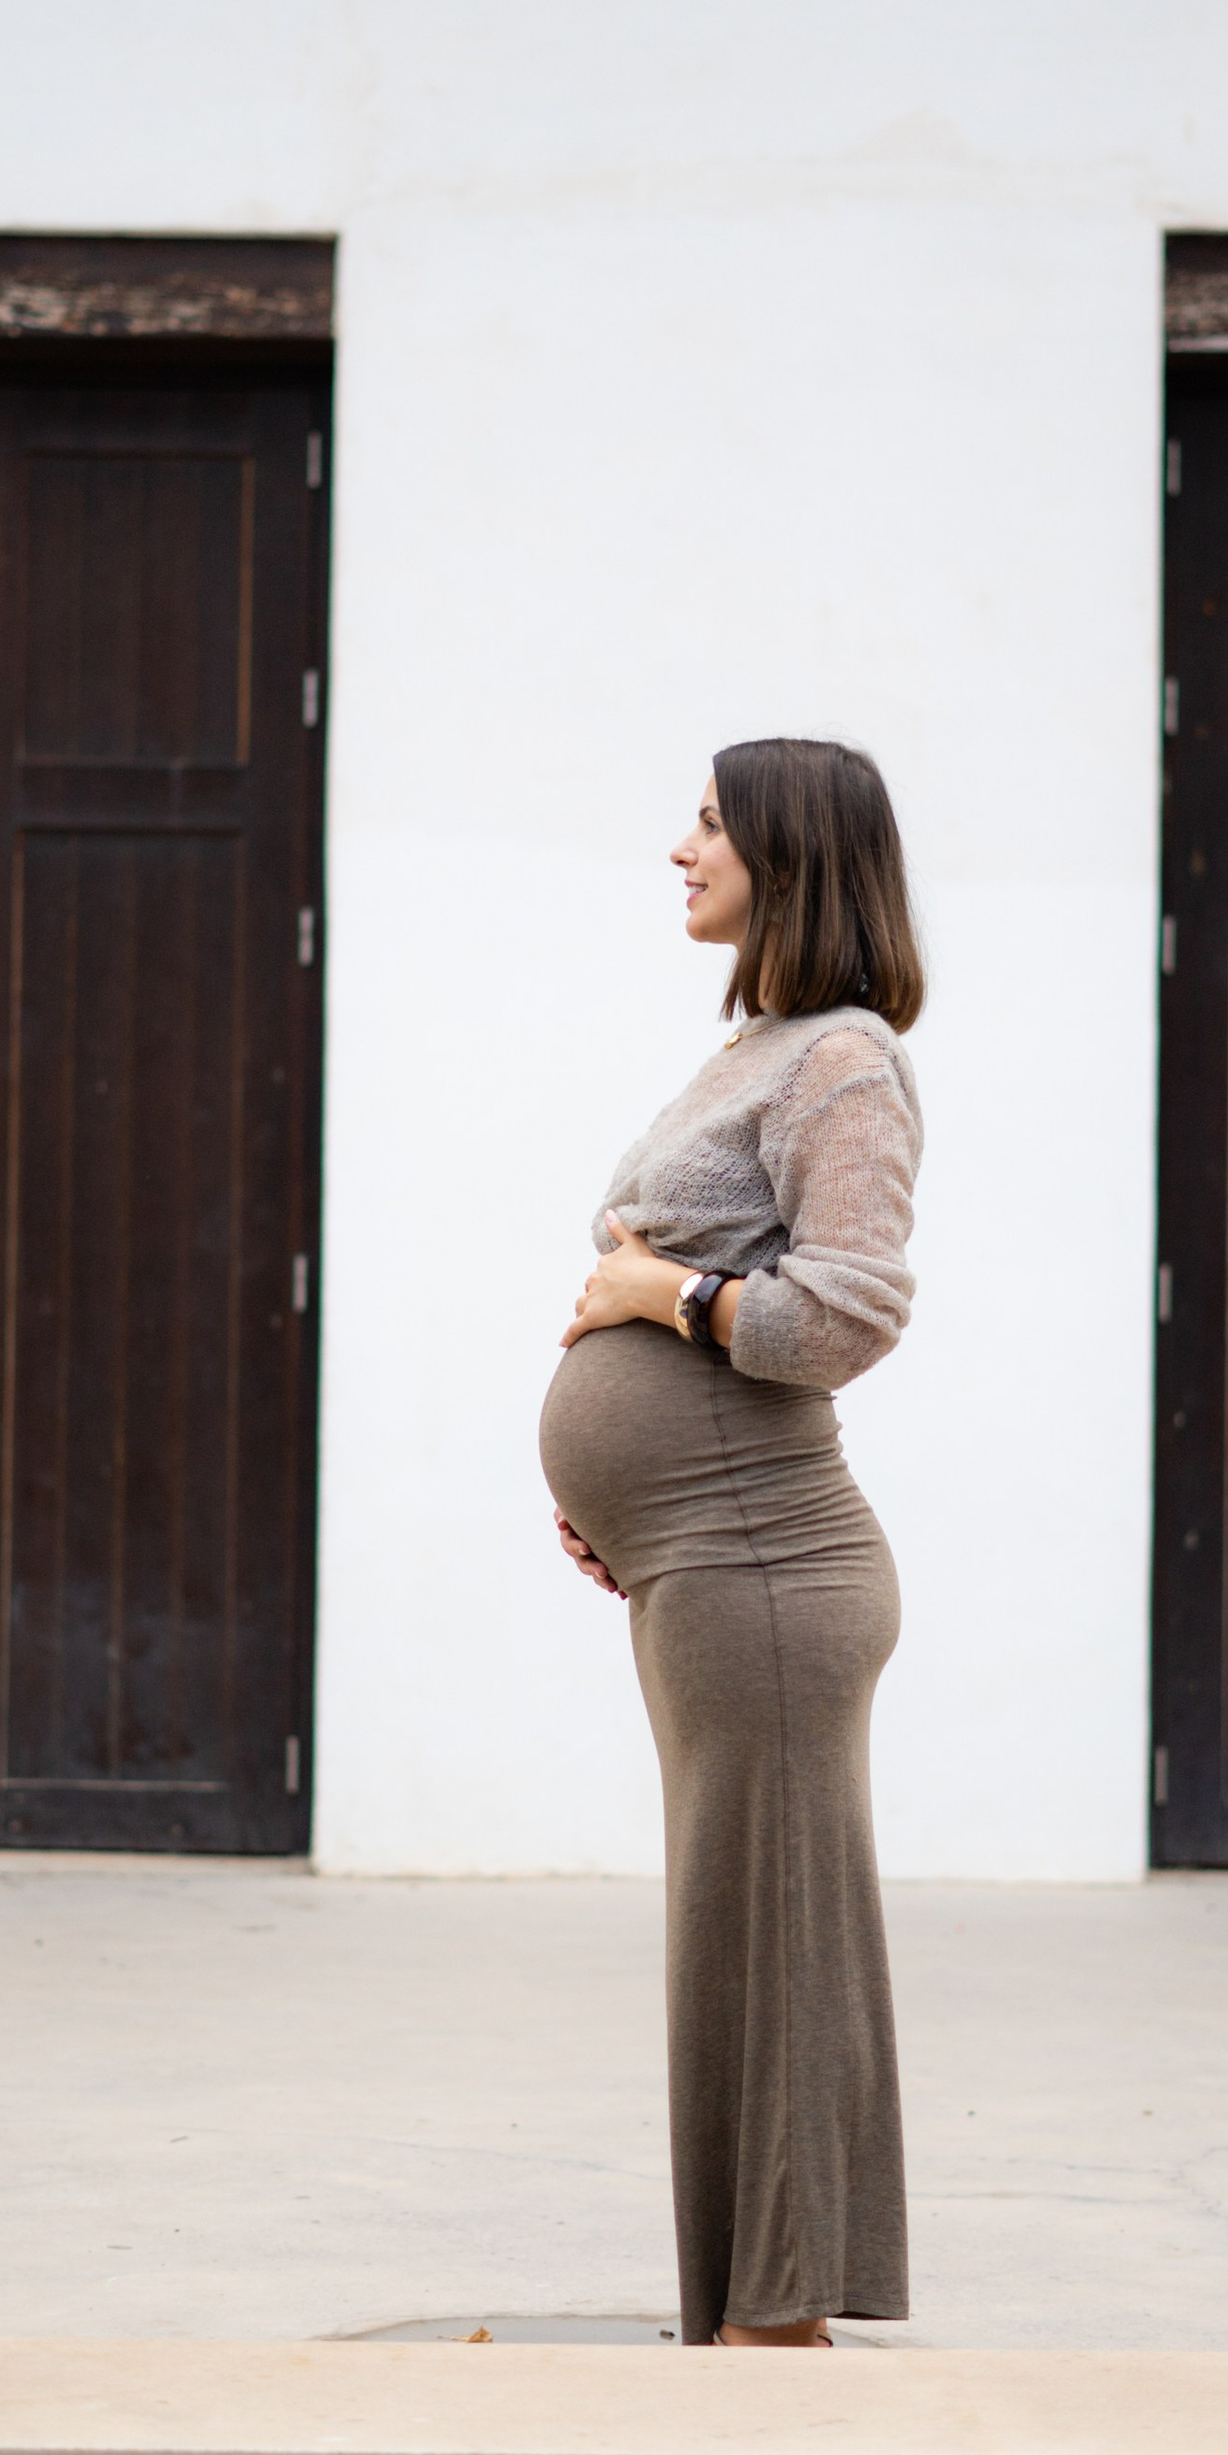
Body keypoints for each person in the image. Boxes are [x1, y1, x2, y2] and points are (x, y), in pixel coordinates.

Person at [539, 738, 924, 2350]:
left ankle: (780, 2334)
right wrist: (606, 1477)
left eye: (709, 820)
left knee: (772, 1949)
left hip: (769, 1565)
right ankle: (753, 2317)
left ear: (790, 853)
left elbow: (852, 1306)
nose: (679, 847)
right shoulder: (758, 1043)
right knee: (740, 1944)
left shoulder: (841, 1059)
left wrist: (662, 1304)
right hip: (701, 1560)